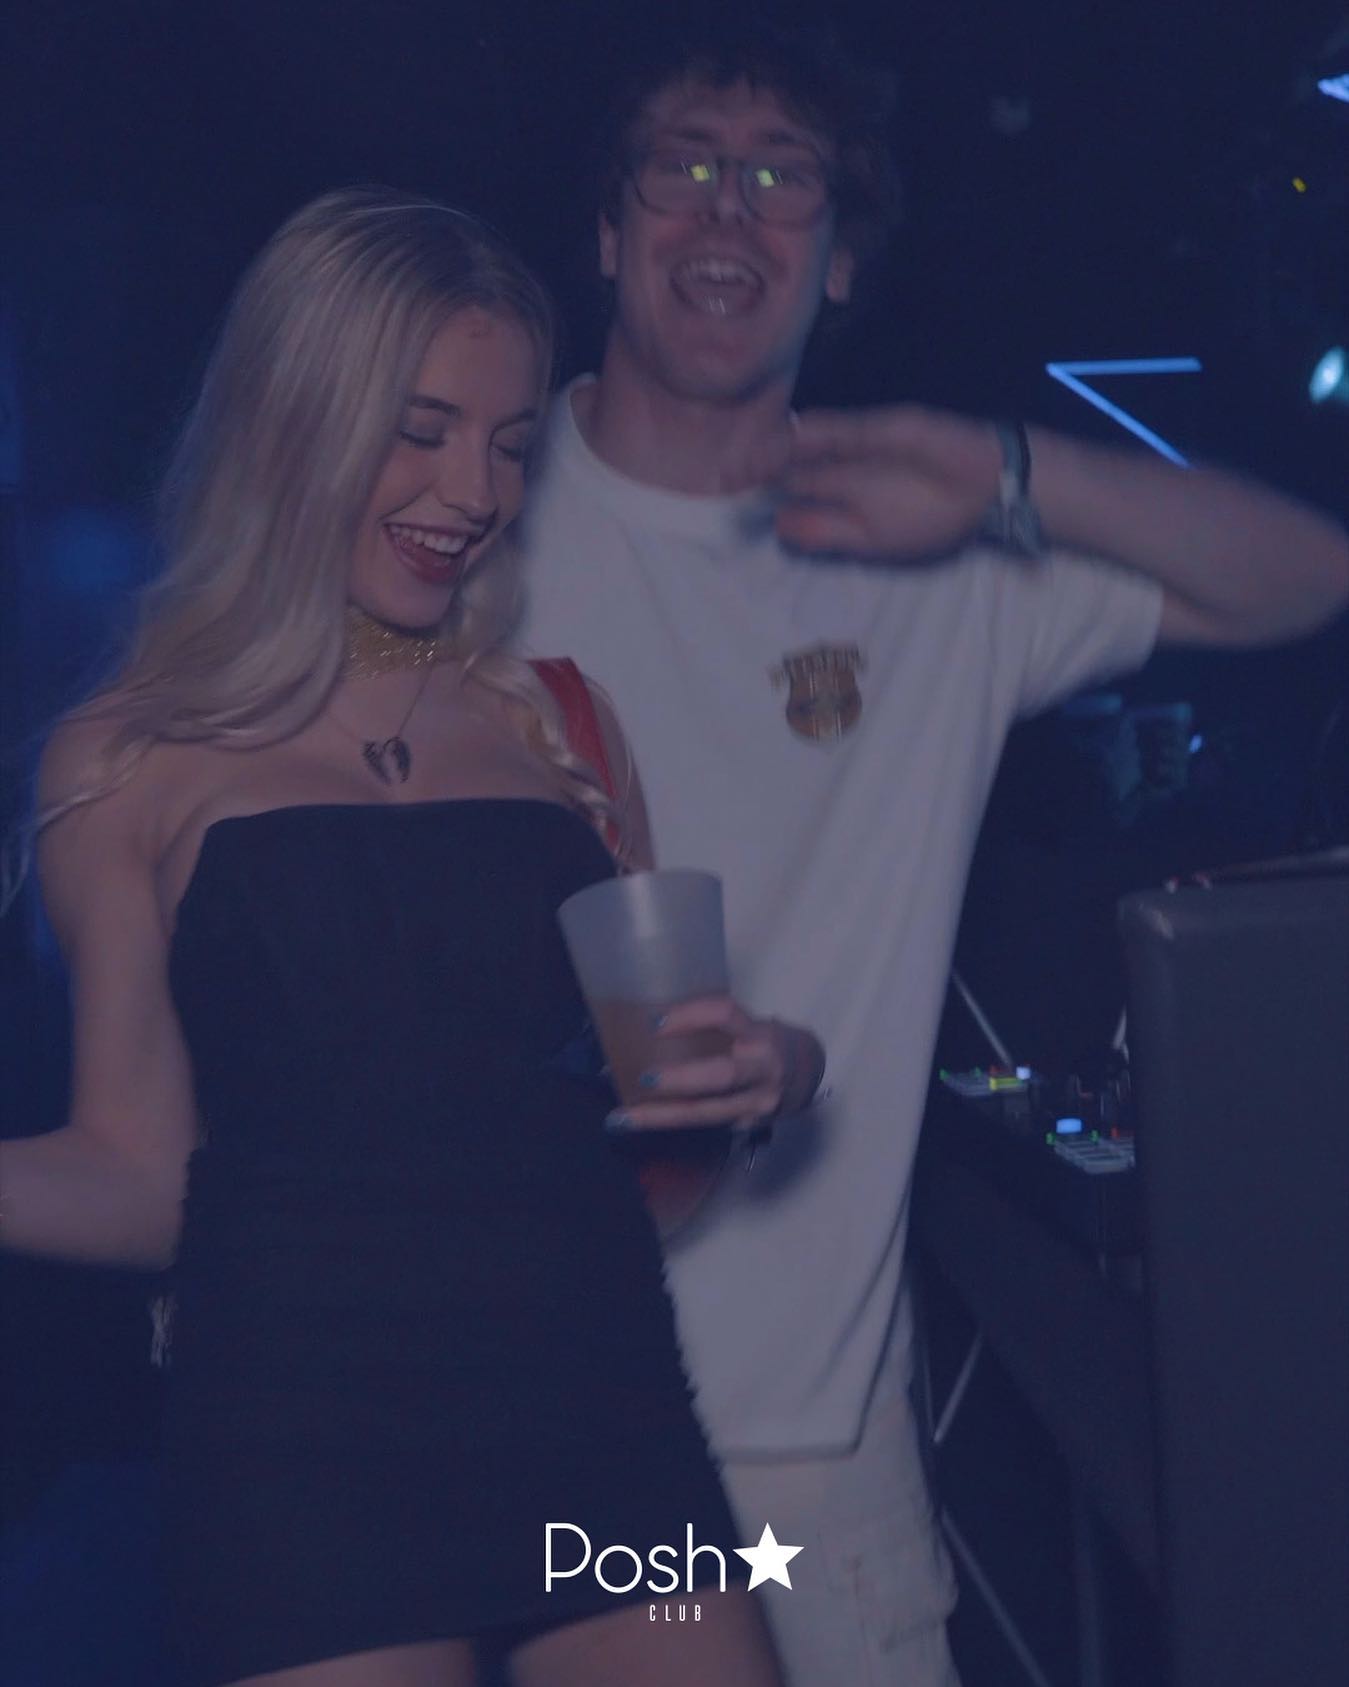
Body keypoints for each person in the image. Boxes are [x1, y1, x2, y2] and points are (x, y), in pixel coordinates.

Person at [511, 24, 1349, 1685]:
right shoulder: (470, 516)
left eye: (781, 177)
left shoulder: (919, 548)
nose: (726, 208)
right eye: (683, 164)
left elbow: (1305, 580)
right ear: (606, 230)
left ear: (837, 261)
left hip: (810, 1445)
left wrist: (1002, 470)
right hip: (526, 1400)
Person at [0, 187, 827, 1687]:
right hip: (302, 1462)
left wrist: (784, 1066)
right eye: (421, 429)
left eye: (509, 443)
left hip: (602, 1421)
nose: (474, 489)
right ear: (291, 422)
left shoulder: (557, 722)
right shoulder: (123, 761)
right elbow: (142, 1170)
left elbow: (680, 1099)